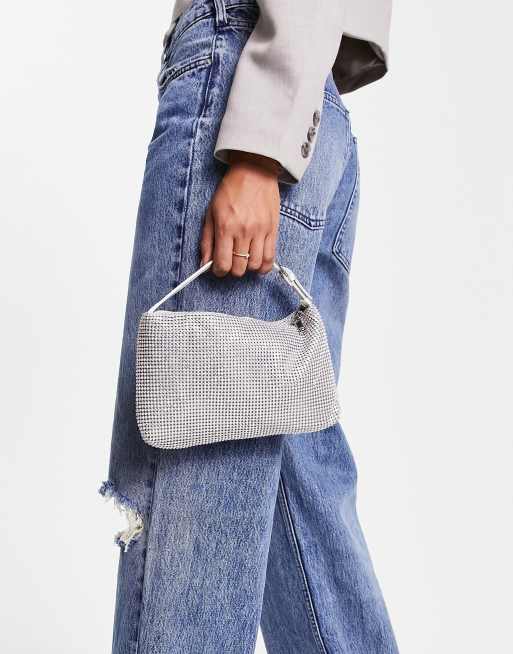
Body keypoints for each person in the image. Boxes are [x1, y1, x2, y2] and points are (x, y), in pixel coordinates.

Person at [100, 0, 399, 652]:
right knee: (299, 492)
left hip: (250, 98)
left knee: (185, 517)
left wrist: (261, 149)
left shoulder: (256, 120)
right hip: (303, 101)